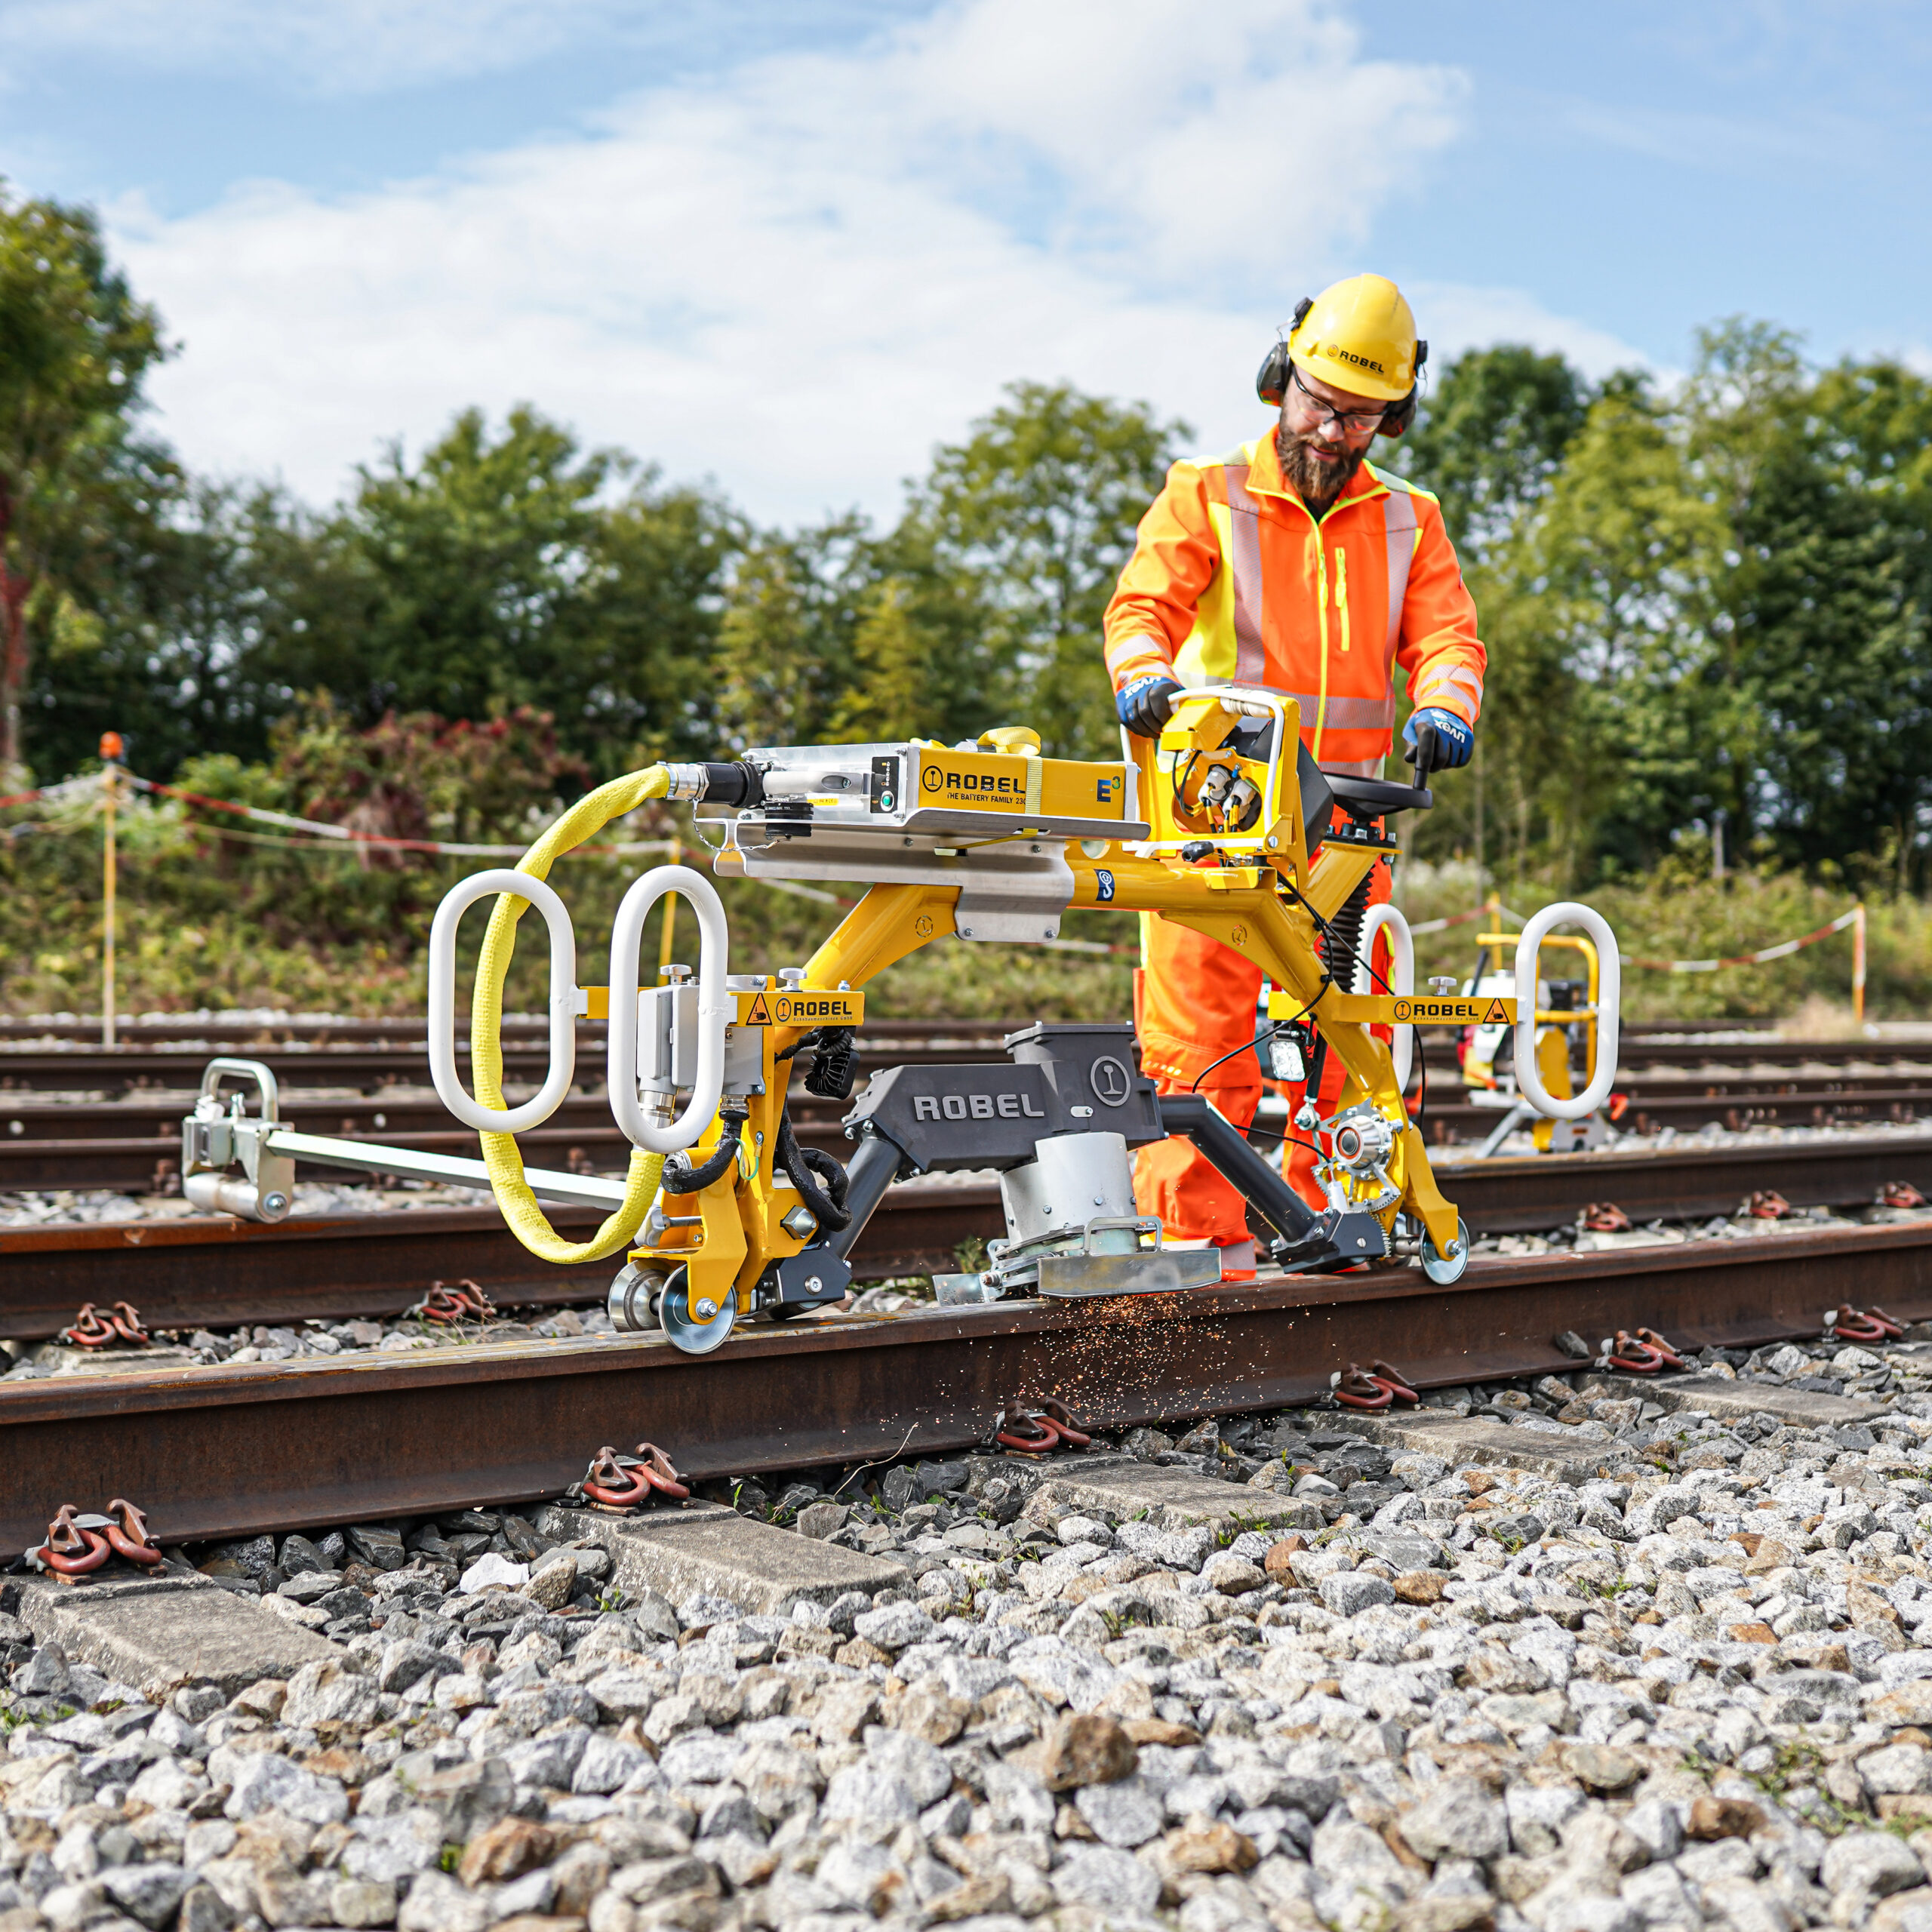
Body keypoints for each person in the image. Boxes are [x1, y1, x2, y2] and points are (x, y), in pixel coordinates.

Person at [1103, 273, 1486, 1273]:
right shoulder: (1208, 493)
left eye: (1359, 416)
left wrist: (1448, 701)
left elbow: (1447, 637)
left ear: (1390, 418)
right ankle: (1198, 1246)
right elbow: (1142, 609)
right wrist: (1141, 674)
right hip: (1213, 824)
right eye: (1319, 402)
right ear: (1282, 380)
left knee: (1347, 1047)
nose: (1330, 430)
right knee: (1198, 1042)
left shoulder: (1412, 520)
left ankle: (1334, 1228)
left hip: (1344, 832)